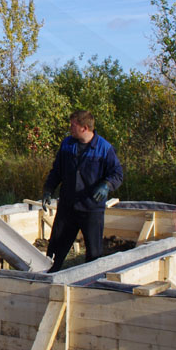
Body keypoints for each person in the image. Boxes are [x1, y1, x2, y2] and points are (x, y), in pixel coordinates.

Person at [41, 110, 123, 273]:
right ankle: (49, 275)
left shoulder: (104, 148)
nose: (70, 128)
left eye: (73, 125)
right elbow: (57, 171)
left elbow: (117, 174)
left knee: (94, 252)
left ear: (84, 128)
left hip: (91, 208)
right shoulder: (67, 145)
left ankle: (92, 280)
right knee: (57, 247)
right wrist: (48, 189)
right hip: (67, 206)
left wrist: (107, 185)